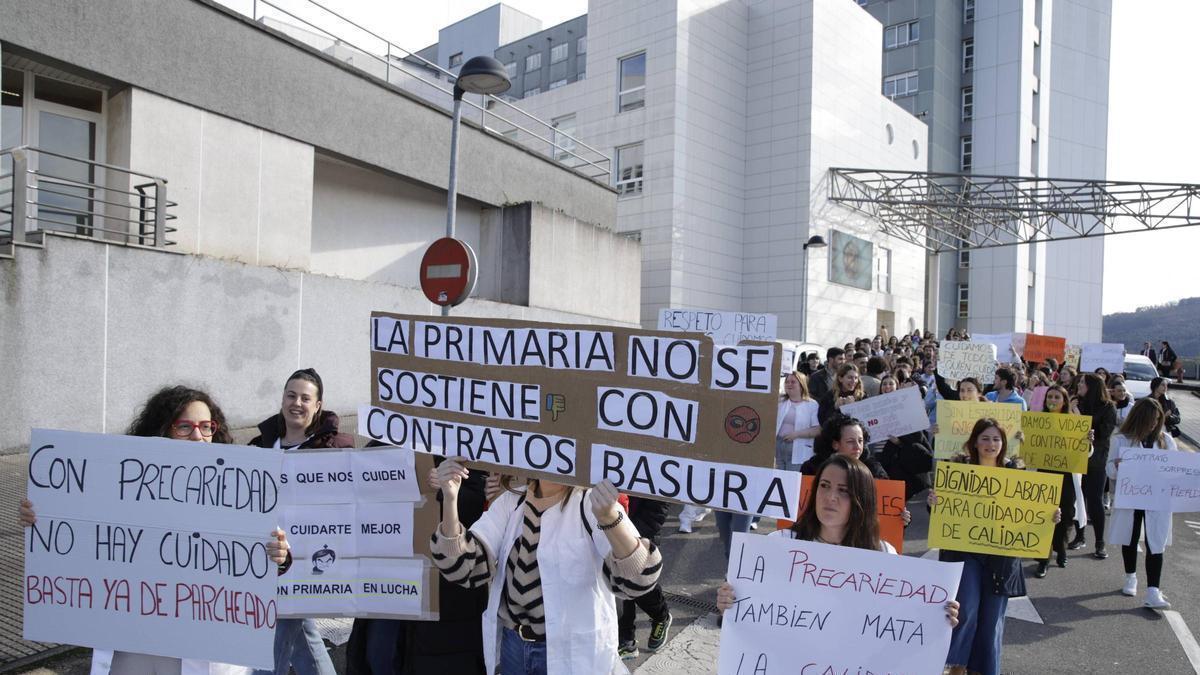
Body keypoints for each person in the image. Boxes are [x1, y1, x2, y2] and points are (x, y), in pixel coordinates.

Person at [20, 386, 290, 675]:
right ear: (163, 430)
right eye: (184, 427)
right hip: (138, 643)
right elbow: (80, 534)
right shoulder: (122, 486)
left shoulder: (236, 489)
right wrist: (41, 518)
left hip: (205, 643)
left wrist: (281, 554)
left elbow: (269, 550)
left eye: (206, 427)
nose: (198, 436)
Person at [428, 460, 662, 674]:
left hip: (571, 654)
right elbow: (464, 567)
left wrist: (610, 518)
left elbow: (639, 580)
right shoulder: (512, 501)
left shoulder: (591, 503)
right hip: (514, 649)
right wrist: (450, 500)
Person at [715, 455, 957, 623]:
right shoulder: (778, 545)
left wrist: (937, 615)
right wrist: (728, 602)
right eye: (825, 486)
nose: (830, 497)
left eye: (843, 490)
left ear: (861, 500)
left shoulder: (883, 555)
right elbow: (748, 609)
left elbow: (899, 619)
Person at [929, 419, 1059, 675]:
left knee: (991, 621)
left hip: (1001, 558)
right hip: (965, 553)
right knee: (965, 610)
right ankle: (957, 666)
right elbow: (942, 511)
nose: (991, 444)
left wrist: (1050, 516)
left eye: (996, 439)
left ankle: (984, 669)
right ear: (975, 442)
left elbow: (1030, 512)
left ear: (1003, 444)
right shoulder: (958, 469)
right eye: (985, 438)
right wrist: (934, 502)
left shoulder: (1016, 473)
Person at [249, 369, 347, 675]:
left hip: (305, 562)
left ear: (318, 405)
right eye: (291, 395)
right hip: (265, 558)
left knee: (276, 637)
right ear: (282, 400)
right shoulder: (259, 445)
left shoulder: (334, 449)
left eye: (306, 398)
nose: (297, 403)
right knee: (303, 637)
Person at [1108, 398, 1179, 609]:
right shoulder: (1121, 439)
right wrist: (1118, 466)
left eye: (1157, 420)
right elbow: (1109, 471)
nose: (1153, 424)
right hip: (1131, 497)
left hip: (1156, 500)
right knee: (1129, 537)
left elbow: (1175, 469)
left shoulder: (1166, 440)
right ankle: (1131, 577)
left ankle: (1153, 591)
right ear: (1139, 418)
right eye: (1150, 420)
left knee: (1155, 542)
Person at [1032, 385, 1091, 578]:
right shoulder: (1037, 421)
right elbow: (1025, 448)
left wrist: (1088, 441)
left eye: (1057, 397)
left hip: (1066, 477)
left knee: (1065, 516)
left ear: (1064, 401)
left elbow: (1087, 454)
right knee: (1044, 516)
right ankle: (1043, 559)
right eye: (1050, 396)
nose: (1053, 400)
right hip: (1043, 475)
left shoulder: (1073, 423)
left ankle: (1062, 549)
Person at [616, 496, 672, 660]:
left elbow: (658, 508)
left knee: (641, 587)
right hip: (609, 528)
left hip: (640, 533)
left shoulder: (653, 474)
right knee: (618, 585)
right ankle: (626, 640)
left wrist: (630, 535)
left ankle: (661, 616)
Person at [1068, 373, 1117, 558]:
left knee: (1094, 500)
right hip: (1075, 459)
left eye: (1082, 382)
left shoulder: (1108, 407)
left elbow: (1104, 433)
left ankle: (1099, 542)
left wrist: (1081, 419)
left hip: (1096, 460)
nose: (1079, 385)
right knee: (1077, 498)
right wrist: (1070, 412)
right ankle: (1080, 536)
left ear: (1093, 386)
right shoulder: (1075, 402)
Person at [776, 371, 821, 471]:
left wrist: (796, 434)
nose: (789, 384)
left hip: (799, 449)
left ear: (801, 385)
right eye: (787, 382)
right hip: (778, 447)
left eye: (793, 382)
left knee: (792, 481)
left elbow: (817, 429)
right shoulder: (780, 401)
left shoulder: (812, 404)